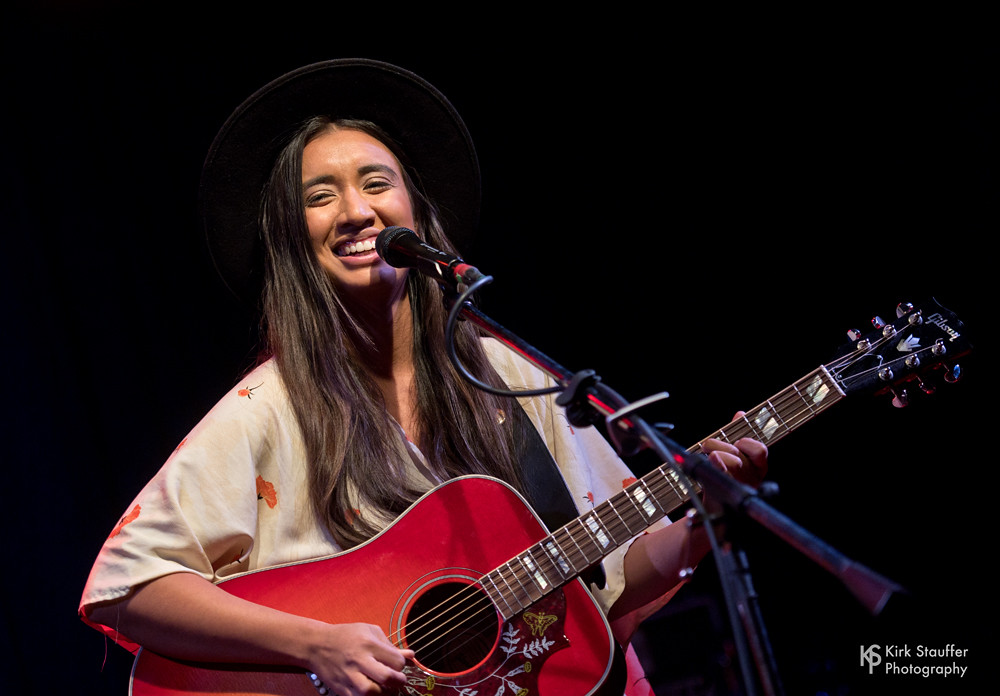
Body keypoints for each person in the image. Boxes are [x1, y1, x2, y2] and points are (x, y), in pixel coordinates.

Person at [79, 59, 767, 696]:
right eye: (321, 196)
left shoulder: (502, 373)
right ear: (293, 239)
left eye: (377, 184)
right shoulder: (267, 408)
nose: (356, 211)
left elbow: (602, 576)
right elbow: (126, 585)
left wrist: (699, 530)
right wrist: (315, 644)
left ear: (416, 212)